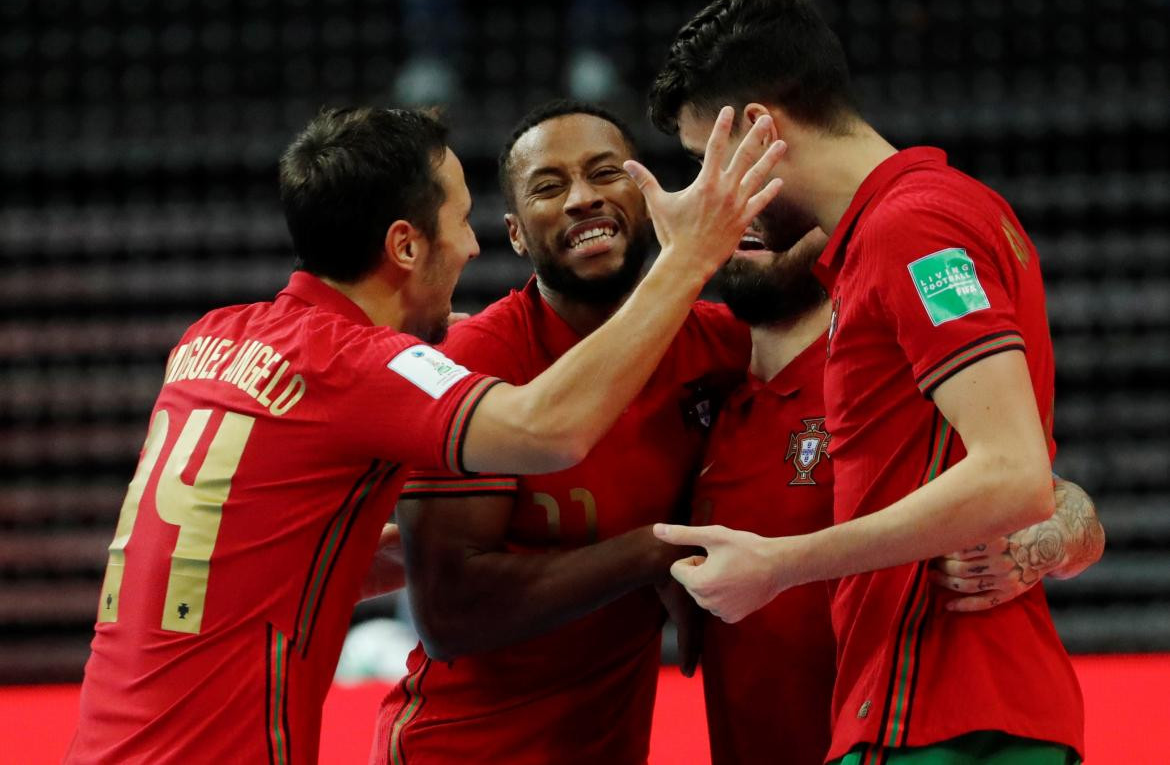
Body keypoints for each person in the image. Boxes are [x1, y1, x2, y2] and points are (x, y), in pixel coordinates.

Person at [65, 104, 786, 764]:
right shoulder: (361, 365)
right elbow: (551, 431)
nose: (471, 247)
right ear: (406, 246)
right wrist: (690, 255)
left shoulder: (211, 339)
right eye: (462, 220)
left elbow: (288, 548)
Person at [646, 0, 1101, 764]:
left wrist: (780, 565)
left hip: (935, 718)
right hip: (949, 717)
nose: (710, 192)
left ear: (759, 127)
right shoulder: (933, 214)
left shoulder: (909, 224)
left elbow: (1016, 473)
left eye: (706, 159)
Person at [370, 100, 747, 765]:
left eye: (606, 172)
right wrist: (651, 552)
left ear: (649, 196)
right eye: (549, 186)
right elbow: (450, 615)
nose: (582, 198)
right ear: (516, 235)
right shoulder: (476, 360)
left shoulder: (722, 349)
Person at [695, 212, 1104, 764]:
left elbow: (1048, 494)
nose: (757, 217)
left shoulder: (887, 365)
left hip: (902, 736)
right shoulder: (697, 376)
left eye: (783, 202)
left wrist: (1045, 538)